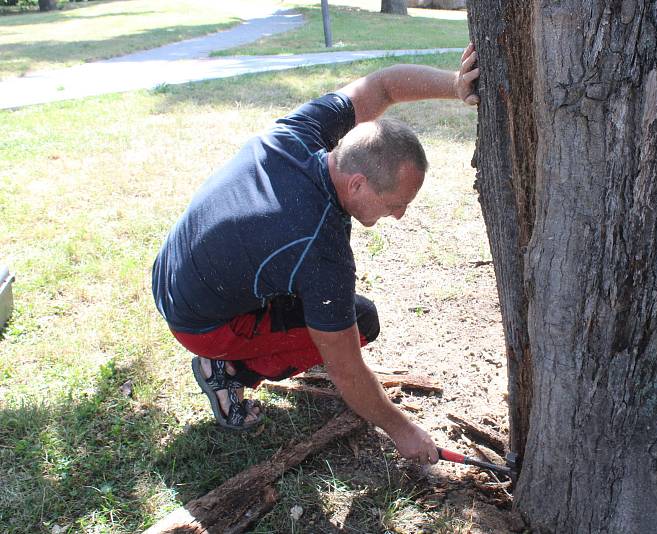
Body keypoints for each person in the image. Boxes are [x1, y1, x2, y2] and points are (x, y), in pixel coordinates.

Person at [151, 44, 479, 465]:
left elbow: (382, 85)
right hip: (200, 322)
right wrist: (403, 429)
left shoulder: (301, 133)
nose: (399, 216)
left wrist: (456, 86)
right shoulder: (319, 251)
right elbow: (346, 369)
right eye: (396, 203)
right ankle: (227, 371)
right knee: (359, 323)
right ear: (358, 183)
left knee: (325, 310)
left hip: (172, 271)